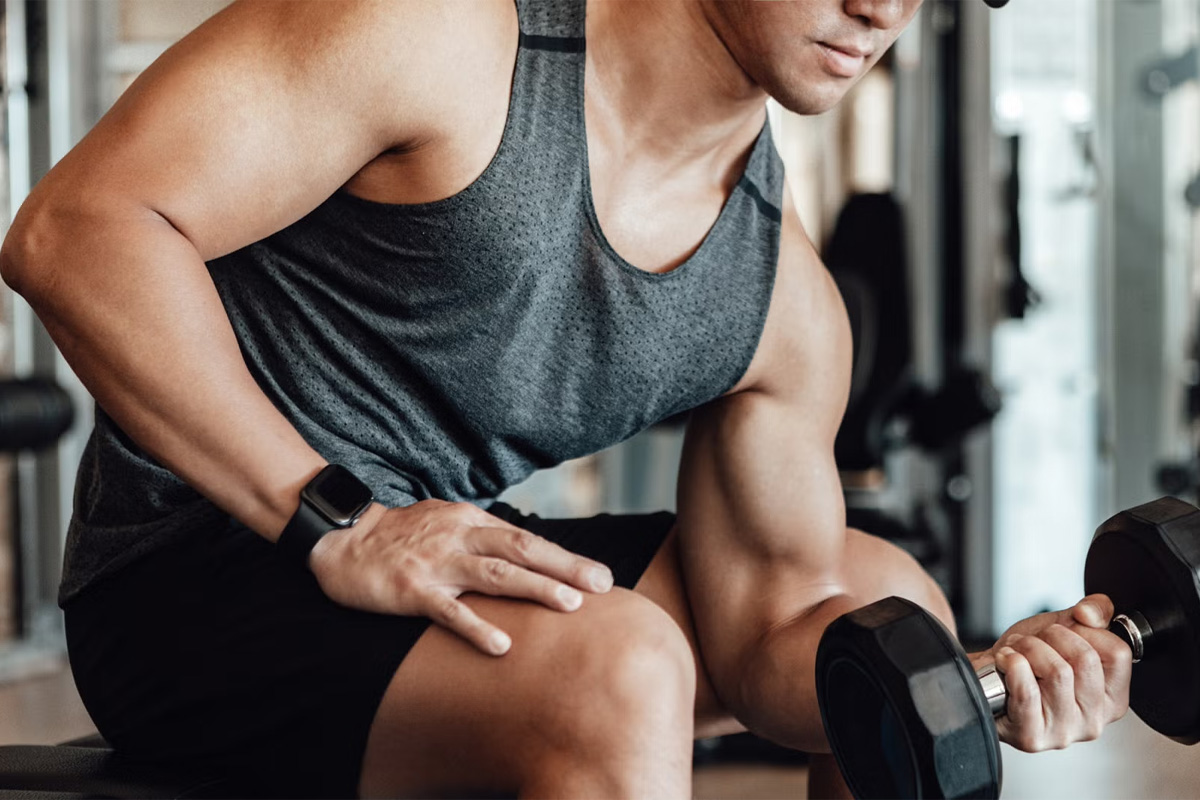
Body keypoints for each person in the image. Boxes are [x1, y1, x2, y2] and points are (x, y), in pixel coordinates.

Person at [0, 0, 1128, 797]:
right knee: (619, 668)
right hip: (188, 575)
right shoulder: (439, 34)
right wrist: (336, 515)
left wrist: (980, 674)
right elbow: (78, 229)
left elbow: (773, 634)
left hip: (432, 556)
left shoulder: (783, 300)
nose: (880, 7)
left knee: (888, 609)